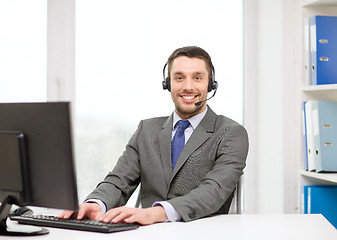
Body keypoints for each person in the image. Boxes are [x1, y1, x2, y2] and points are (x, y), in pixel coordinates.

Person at [58, 46, 249, 225]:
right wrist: (96, 204)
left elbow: (214, 191)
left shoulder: (231, 133)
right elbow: (119, 181)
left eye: (197, 78)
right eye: (179, 78)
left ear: (210, 84)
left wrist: (156, 213)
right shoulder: (146, 130)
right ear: (168, 83)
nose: (188, 86)